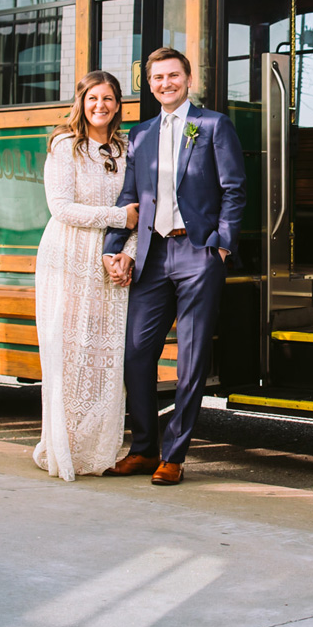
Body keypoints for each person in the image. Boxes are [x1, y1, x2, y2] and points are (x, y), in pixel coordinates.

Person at [102, 47, 246, 486]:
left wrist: (219, 246)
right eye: (158, 78)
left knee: (191, 358)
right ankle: (144, 448)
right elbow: (129, 196)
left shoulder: (213, 125)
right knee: (136, 354)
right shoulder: (140, 135)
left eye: (173, 76)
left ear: (187, 79)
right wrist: (114, 247)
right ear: (149, 85)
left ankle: (175, 454)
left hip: (196, 254)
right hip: (152, 255)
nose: (166, 83)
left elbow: (234, 190)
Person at [30, 71, 139, 480]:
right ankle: (62, 446)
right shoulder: (64, 145)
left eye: (109, 98)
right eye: (93, 98)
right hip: (68, 256)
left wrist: (125, 255)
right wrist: (116, 217)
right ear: (82, 102)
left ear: (117, 105)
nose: (101, 106)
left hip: (109, 260)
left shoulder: (126, 147)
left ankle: (96, 449)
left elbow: (138, 210)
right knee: (69, 352)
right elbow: (60, 207)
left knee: (104, 354)